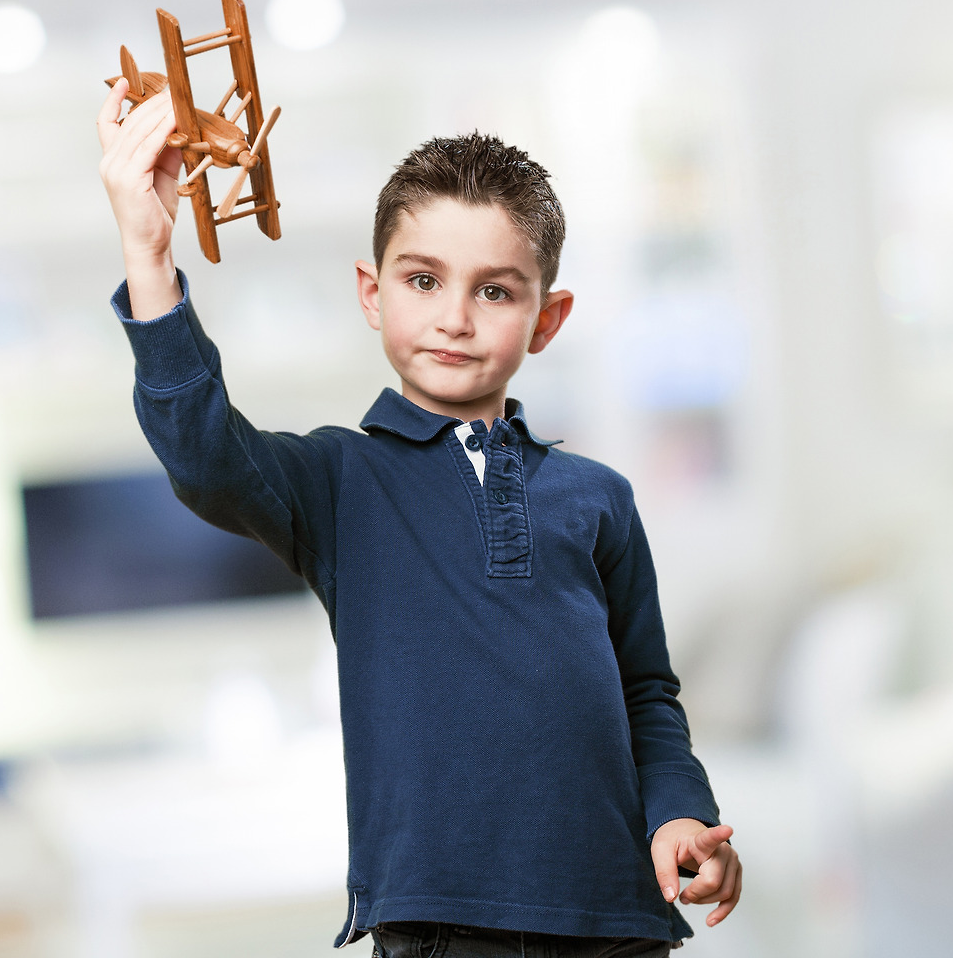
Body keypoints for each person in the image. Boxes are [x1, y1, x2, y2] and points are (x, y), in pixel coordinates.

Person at [96, 78, 742, 957]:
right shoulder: (336, 479)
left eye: (496, 292)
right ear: (372, 293)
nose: (454, 319)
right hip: (441, 925)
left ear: (546, 320)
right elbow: (204, 458)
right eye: (424, 280)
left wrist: (679, 813)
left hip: (618, 921)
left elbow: (646, 696)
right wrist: (147, 247)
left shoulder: (599, 498)